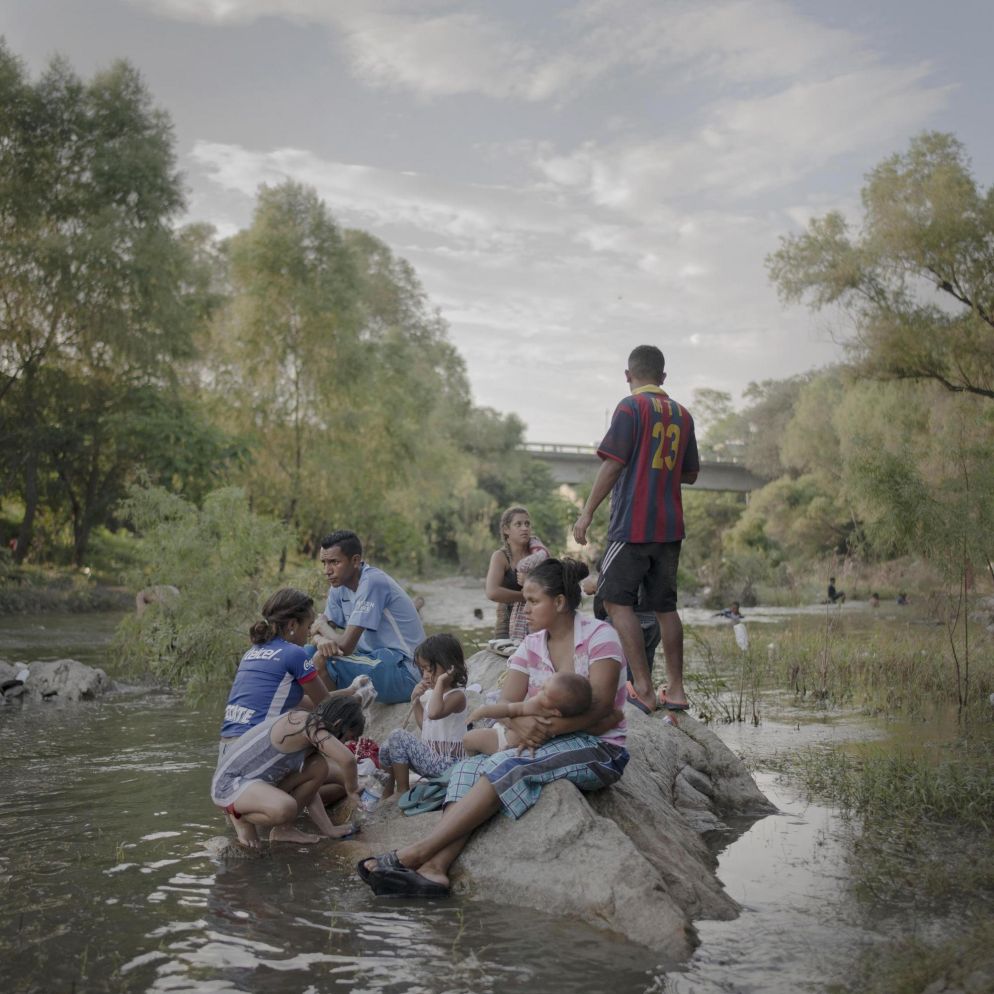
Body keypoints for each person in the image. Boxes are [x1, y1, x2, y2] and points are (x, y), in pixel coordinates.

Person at [356, 558, 630, 898]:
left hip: (598, 747)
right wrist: (525, 723)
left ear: (559, 602)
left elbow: (602, 709)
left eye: (532, 601)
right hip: (539, 743)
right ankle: (435, 871)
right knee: (468, 768)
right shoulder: (531, 646)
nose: (524, 609)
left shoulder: (600, 636)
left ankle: (415, 853)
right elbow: (506, 708)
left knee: (506, 764)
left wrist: (542, 729)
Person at [573, 345, 699, 713]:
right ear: (663, 377)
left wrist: (586, 513)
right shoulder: (682, 414)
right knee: (665, 607)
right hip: (670, 526)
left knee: (614, 600)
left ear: (628, 376)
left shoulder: (630, 408)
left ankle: (642, 688)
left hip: (632, 524)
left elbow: (612, 464)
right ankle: (675, 690)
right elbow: (690, 474)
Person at [211, 696, 365, 849]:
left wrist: (329, 829)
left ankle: (284, 829)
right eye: (348, 738)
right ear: (338, 724)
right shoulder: (306, 724)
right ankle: (241, 817)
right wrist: (351, 789)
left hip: (258, 783)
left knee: (319, 766)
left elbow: (310, 792)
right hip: (229, 785)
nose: (344, 743)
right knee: (286, 807)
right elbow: (348, 760)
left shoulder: (311, 735)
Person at [310, 530, 425, 705]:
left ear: (355, 561)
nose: (327, 571)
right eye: (324, 563)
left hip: (406, 670)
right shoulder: (338, 587)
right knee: (306, 655)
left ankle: (332, 719)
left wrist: (321, 627)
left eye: (334, 562)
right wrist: (320, 638)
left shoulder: (372, 582)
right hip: (377, 661)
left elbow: (344, 646)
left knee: (323, 661)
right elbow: (320, 631)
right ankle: (326, 713)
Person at [220, 589, 331, 740]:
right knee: (317, 727)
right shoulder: (294, 653)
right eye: (309, 625)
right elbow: (327, 705)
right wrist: (357, 697)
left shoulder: (251, 652)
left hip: (228, 746)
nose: (310, 633)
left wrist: (351, 691)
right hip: (255, 744)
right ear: (292, 625)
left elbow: (300, 702)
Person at [378, 634, 470, 798]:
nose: (426, 675)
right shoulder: (435, 695)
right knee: (386, 747)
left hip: (449, 766)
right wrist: (416, 700)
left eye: (430, 669)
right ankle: (388, 790)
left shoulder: (457, 696)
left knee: (397, 735)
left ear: (450, 668)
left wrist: (441, 682)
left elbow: (434, 713)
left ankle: (402, 791)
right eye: (423, 670)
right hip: (432, 761)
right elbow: (425, 725)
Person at [463, 671, 597, 755]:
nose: (539, 691)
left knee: (468, 739)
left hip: (503, 741)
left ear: (555, 711)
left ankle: (471, 758)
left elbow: (508, 710)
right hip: (517, 742)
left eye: (544, 692)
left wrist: (483, 711)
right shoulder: (562, 717)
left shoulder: (536, 706)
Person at [485, 506, 549, 641]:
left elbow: (551, 584)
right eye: (518, 524)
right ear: (506, 529)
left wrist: (530, 583)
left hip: (538, 618)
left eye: (527, 524)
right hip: (507, 621)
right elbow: (492, 592)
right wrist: (526, 596)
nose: (524, 528)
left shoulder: (539, 554)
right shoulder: (501, 556)